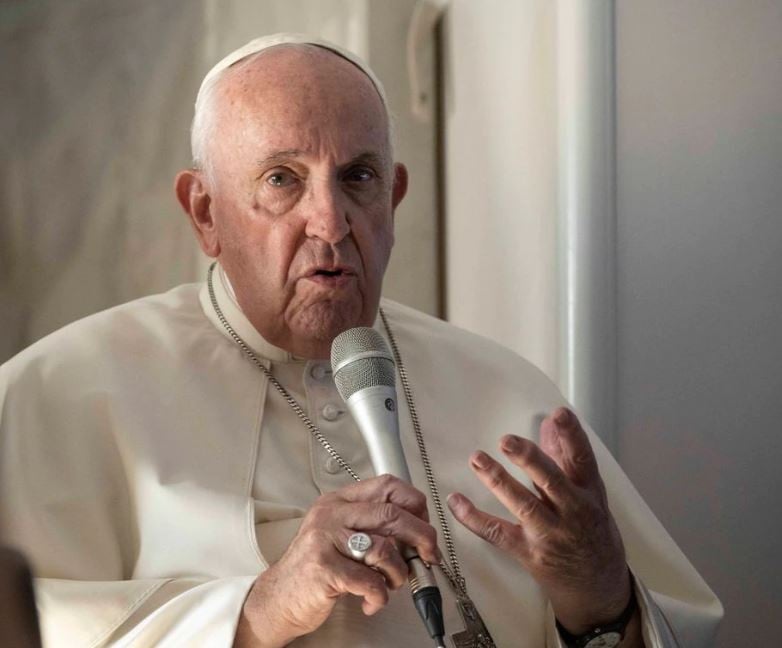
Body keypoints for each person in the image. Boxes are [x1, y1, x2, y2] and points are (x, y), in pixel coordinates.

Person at [0, 33, 721, 647]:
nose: (332, 222)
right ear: (205, 213)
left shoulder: (511, 396)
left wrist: (603, 604)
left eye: (359, 178)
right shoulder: (56, 395)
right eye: (283, 179)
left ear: (395, 198)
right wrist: (254, 612)